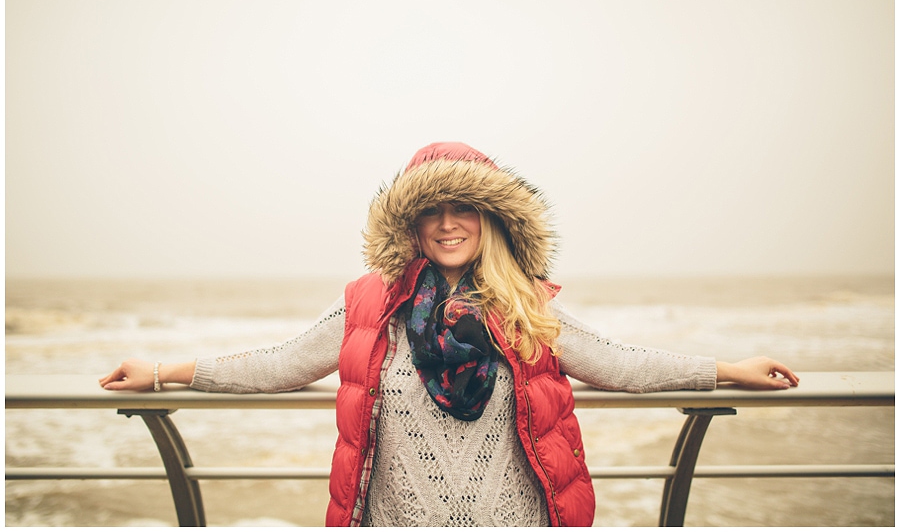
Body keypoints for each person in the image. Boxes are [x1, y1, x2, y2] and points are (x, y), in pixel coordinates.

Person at [100, 142, 799, 527]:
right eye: (430, 209)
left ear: (491, 219)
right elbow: (280, 363)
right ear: (411, 224)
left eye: (463, 206)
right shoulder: (371, 306)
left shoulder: (524, 308)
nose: (446, 223)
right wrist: (162, 372)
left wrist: (726, 371)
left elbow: (616, 361)